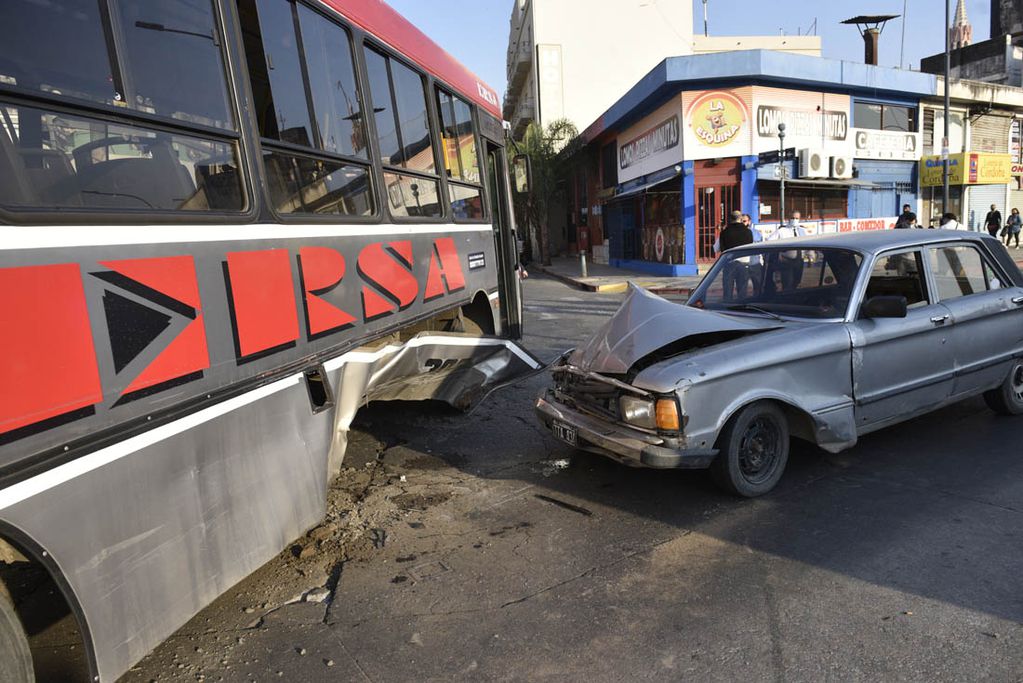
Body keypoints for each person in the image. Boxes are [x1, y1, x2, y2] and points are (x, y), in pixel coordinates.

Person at [765, 211, 807, 290]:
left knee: (797, 282)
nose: (794, 220)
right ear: (788, 218)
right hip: (786, 261)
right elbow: (769, 240)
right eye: (792, 218)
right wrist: (779, 251)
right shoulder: (782, 231)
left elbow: (808, 242)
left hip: (799, 261)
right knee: (787, 284)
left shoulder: (802, 230)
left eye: (796, 218)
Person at [718, 210, 753, 300]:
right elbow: (750, 247)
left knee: (728, 291)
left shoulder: (724, 232)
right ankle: (741, 309)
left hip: (729, 262)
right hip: (744, 262)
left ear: (730, 219)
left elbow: (722, 249)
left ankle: (726, 309)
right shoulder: (748, 232)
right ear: (740, 218)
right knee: (742, 291)